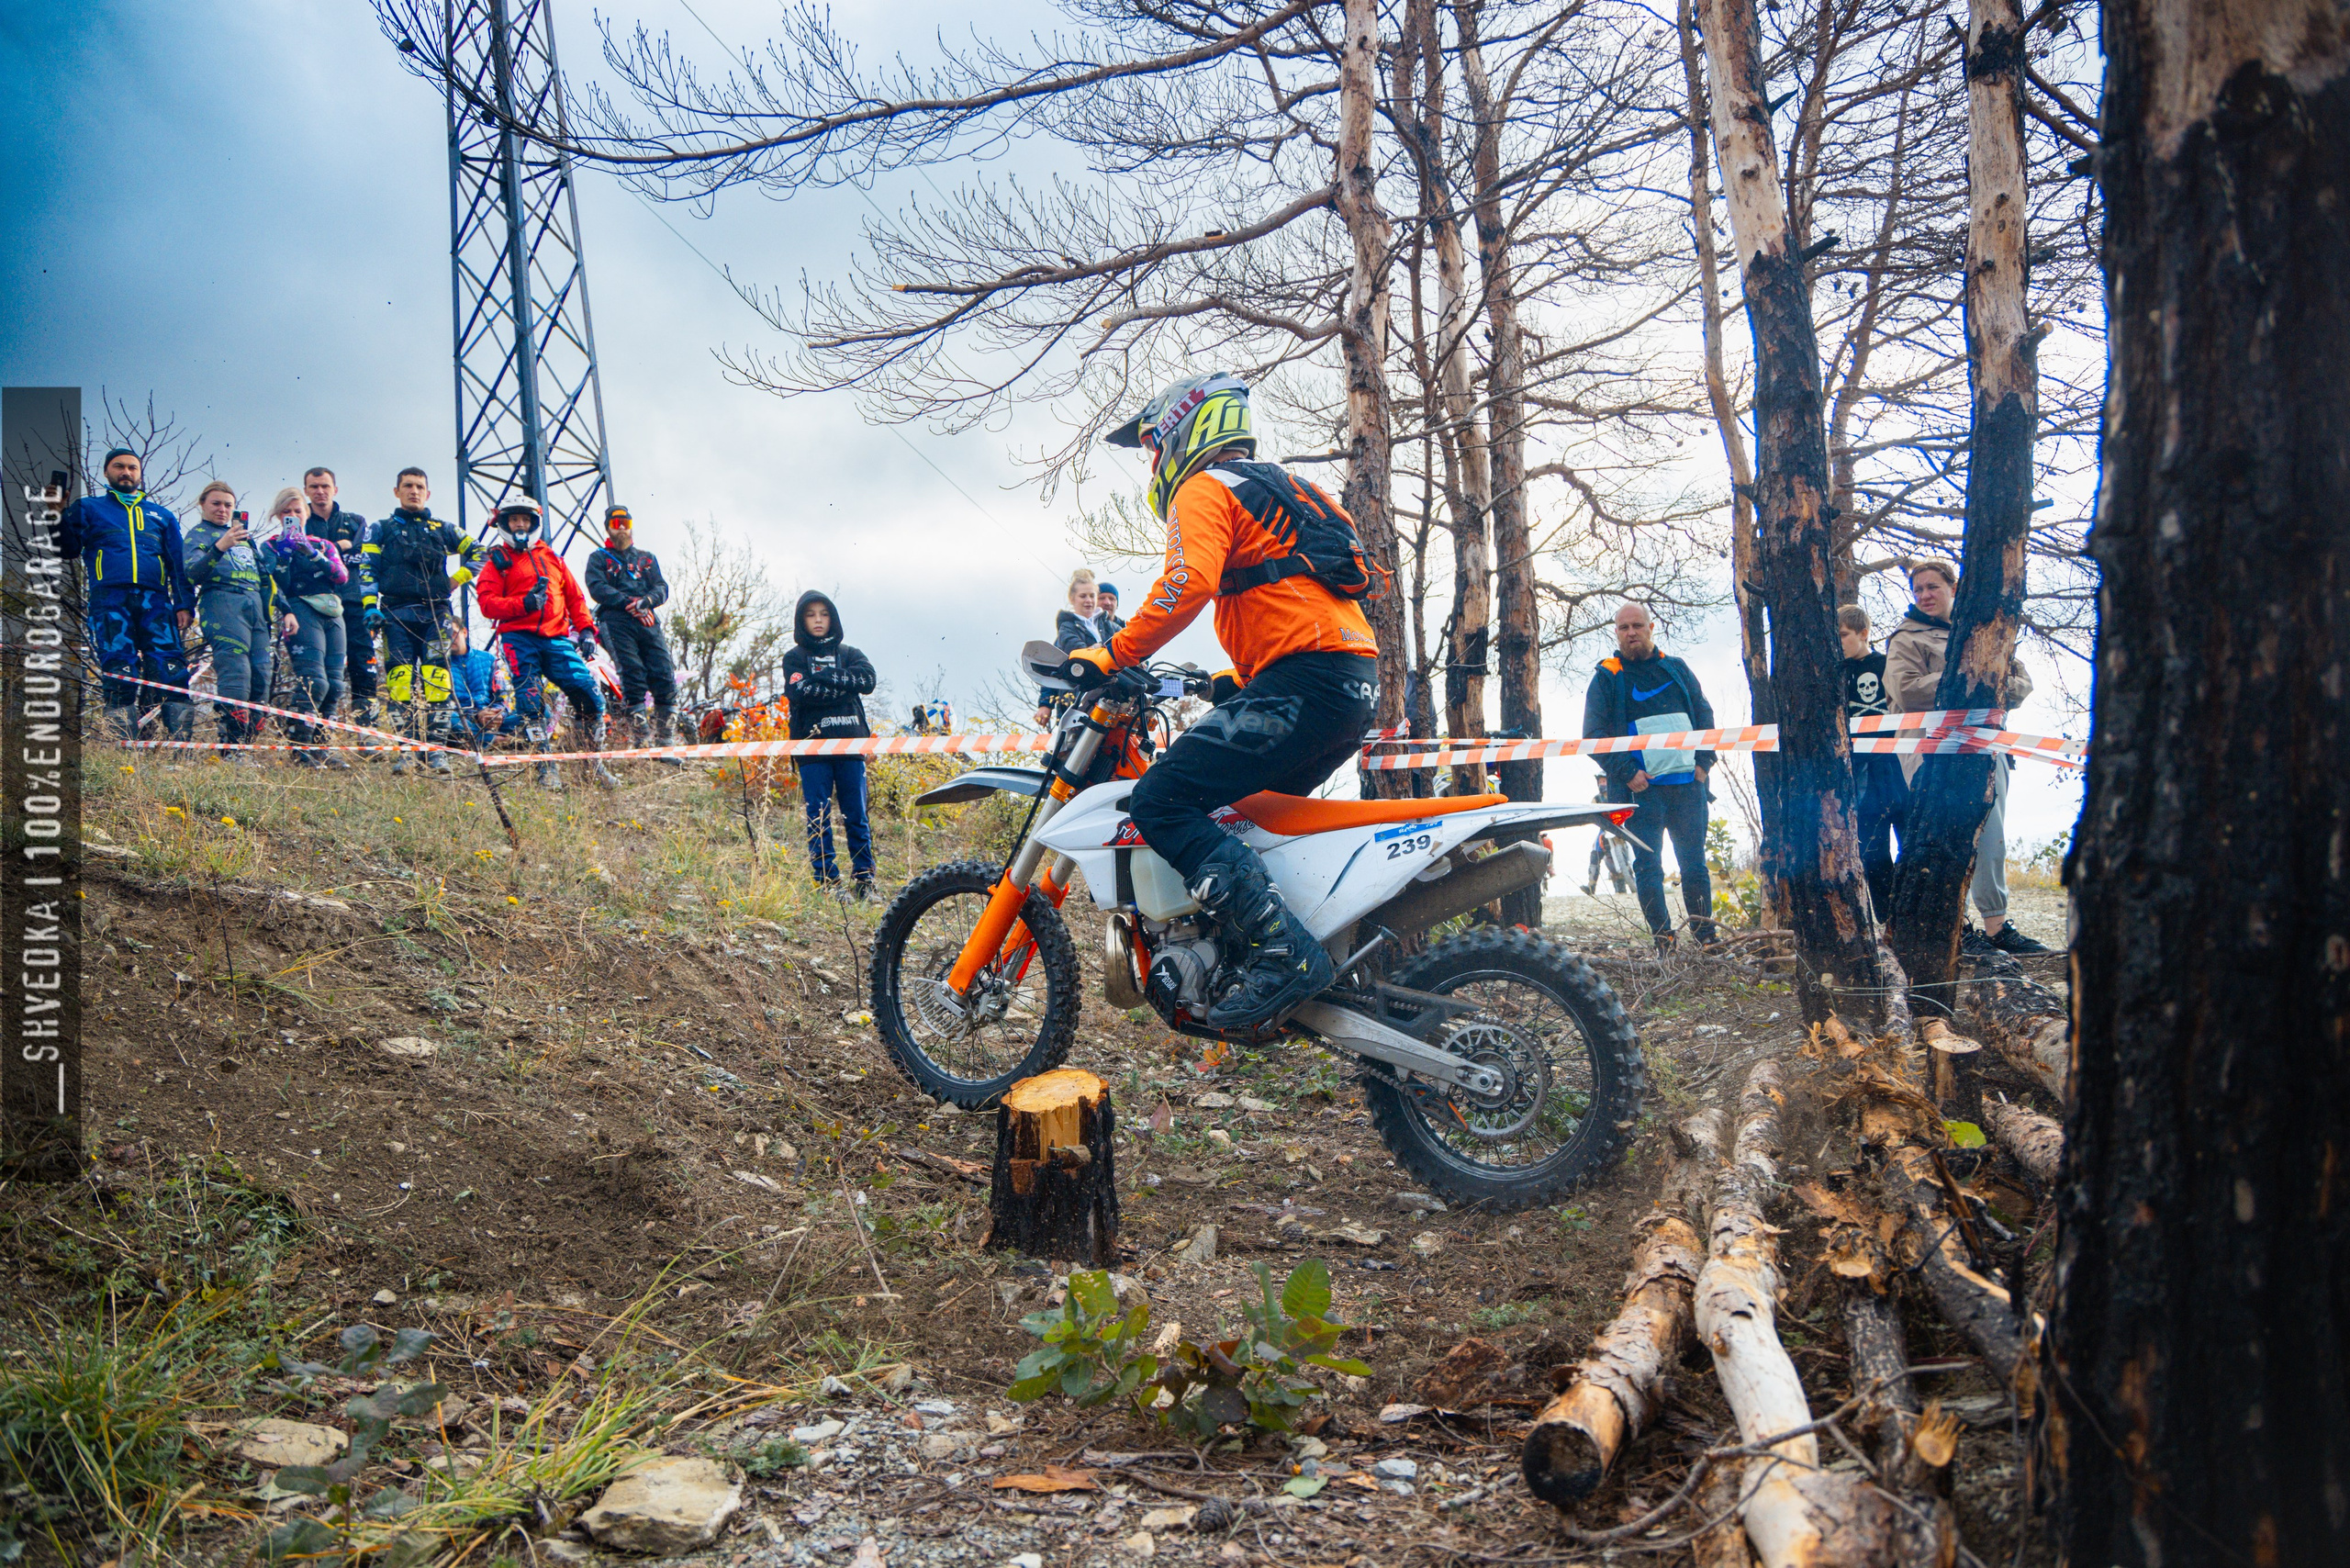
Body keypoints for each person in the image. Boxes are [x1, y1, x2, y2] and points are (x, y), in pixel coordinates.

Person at [1069, 373, 1381, 1030]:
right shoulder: (1292, 488)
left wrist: (1112, 652)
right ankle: (1268, 966)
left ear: (1182, 432)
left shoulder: (1203, 487)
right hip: (1350, 684)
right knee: (1248, 820)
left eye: (1152, 447)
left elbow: (1187, 584)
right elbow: (1298, 595)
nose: (1153, 463)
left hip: (1305, 682)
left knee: (1160, 800)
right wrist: (1237, 682)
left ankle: (1285, 955)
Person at [1884, 560, 2049, 955]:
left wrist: (1985, 680)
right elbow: (1907, 692)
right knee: (1943, 840)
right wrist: (1972, 677)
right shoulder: (1906, 638)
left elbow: (2021, 683)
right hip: (1932, 753)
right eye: (1918, 589)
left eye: (1932, 587)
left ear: (1953, 588)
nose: (1925, 595)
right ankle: (1955, 931)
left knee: (1991, 835)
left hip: (1987, 748)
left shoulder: (1983, 630)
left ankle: (1997, 928)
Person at [1583, 602, 1718, 950]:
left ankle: (1707, 939)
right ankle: (1664, 942)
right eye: (1624, 627)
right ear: (1616, 633)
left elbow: (1705, 716)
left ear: (1650, 627)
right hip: (1640, 794)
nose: (1631, 633)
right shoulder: (1607, 677)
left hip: (1689, 788)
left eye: (1637, 626)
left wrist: (1704, 763)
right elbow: (1593, 736)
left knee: (1695, 866)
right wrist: (1627, 773)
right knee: (1647, 867)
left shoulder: (1676, 668)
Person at [475, 498, 621, 791]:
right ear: (505, 523)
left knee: (590, 694)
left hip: (556, 638)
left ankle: (591, 765)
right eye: (514, 519)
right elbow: (487, 604)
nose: (520, 524)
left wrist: (586, 631)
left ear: (534, 523)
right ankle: (546, 768)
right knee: (530, 703)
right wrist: (523, 604)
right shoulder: (497, 562)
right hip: (518, 639)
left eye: (525, 519)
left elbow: (575, 597)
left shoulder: (553, 558)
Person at [59, 447, 196, 742]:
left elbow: (177, 563)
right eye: (119, 466)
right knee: (120, 671)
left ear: (140, 474)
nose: (126, 472)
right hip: (109, 600)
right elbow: (66, 549)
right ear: (106, 472)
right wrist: (56, 514)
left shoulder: (162, 515)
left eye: (132, 467)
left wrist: (184, 604)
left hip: (156, 602)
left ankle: (184, 750)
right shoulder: (89, 508)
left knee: (172, 671)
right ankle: (122, 750)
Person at [367, 467, 485, 778]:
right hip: (395, 613)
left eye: (420, 487)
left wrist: (455, 580)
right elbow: (368, 568)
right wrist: (369, 607)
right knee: (399, 682)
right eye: (408, 486)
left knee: (437, 680)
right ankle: (406, 752)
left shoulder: (443, 528)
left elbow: (481, 552)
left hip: (436, 614)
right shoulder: (380, 529)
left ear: (428, 493)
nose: (414, 491)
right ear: (397, 492)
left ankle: (436, 752)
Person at [185, 482, 293, 761]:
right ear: (202, 504)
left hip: (255, 608)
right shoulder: (198, 534)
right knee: (237, 674)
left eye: (228, 505)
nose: (222, 509)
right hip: (222, 603)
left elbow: (265, 576)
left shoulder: (246, 538)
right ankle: (230, 748)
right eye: (216, 504)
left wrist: (286, 609)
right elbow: (192, 574)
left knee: (261, 676)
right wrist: (219, 547)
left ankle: (247, 748)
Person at [782, 591, 879, 895]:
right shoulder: (794, 658)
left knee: (857, 815)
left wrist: (825, 676)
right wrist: (844, 685)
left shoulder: (850, 653)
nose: (818, 620)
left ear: (832, 618)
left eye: (824, 614)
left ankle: (865, 880)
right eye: (811, 614)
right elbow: (799, 691)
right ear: (801, 620)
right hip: (811, 747)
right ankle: (827, 881)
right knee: (818, 815)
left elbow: (868, 680)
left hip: (851, 745)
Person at [264, 486, 355, 769]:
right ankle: (299, 747)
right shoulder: (270, 546)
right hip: (299, 608)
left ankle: (322, 747)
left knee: (335, 684)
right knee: (314, 681)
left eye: (297, 511)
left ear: (306, 513)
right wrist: (285, 554)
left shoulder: (324, 544)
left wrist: (311, 552)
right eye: (286, 512)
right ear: (278, 515)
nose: (292, 516)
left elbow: (341, 576)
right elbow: (273, 583)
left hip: (331, 610)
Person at [583, 505, 682, 763]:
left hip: (648, 619)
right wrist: (629, 603)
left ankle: (665, 745)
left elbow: (661, 587)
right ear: (607, 528)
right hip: (616, 620)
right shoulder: (599, 558)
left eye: (625, 523)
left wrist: (646, 602)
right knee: (633, 674)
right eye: (615, 524)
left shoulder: (647, 558)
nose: (621, 528)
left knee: (664, 673)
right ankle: (642, 743)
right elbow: (597, 587)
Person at [1840, 604, 1908, 918]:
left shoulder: (1886, 665)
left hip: (1895, 764)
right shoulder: (1838, 673)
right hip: (1861, 772)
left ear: (1863, 633)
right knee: (1872, 851)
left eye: (1844, 635)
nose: (1839, 642)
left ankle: (1914, 912)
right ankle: (1887, 918)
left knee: (1911, 841)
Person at [302, 467, 380, 728]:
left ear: (334, 489)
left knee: (363, 661)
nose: (320, 491)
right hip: (316, 604)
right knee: (322, 668)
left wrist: (321, 553)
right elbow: (301, 559)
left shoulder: (355, 521)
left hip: (354, 601)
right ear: (306, 491)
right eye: (314, 487)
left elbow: (361, 556)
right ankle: (320, 729)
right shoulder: (300, 521)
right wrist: (336, 548)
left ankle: (367, 729)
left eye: (325, 486)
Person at [1035, 568, 1115, 725]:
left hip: (1108, 700)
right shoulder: (1067, 628)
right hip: (1078, 701)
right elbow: (1072, 656)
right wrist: (1046, 704)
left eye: (1092, 596)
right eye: (1083, 596)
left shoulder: (1108, 626)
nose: (1088, 600)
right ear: (1072, 599)